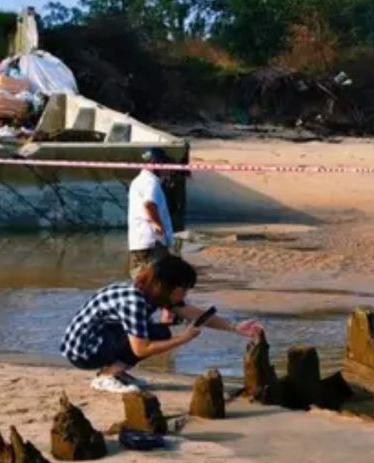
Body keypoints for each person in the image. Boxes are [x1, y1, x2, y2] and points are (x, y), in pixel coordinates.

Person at [60, 256, 263, 392]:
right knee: (155, 335)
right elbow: (141, 349)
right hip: (82, 351)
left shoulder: (150, 293)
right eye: (182, 289)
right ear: (163, 286)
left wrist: (235, 327)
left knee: (157, 331)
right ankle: (106, 377)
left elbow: (196, 314)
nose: (185, 294)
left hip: (96, 338)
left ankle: (117, 372)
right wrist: (183, 339)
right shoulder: (134, 301)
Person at [128, 148, 175, 277]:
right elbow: (149, 205)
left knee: (141, 281)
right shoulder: (151, 182)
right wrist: (158, 225)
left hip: (138, 243)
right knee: (160, 282)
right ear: (156, 164)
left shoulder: (137, 181)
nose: (168, 169)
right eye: (165, 165)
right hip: (153, 243)